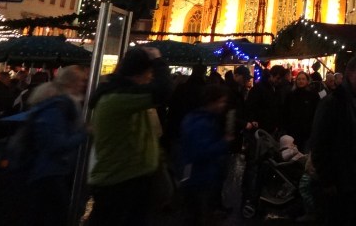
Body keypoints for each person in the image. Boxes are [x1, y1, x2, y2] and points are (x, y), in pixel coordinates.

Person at [88, 45, 172, 225]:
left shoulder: (125, 95)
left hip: (131, 178)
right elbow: (162, 91)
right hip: (121, 181)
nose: (150, 78)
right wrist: (158, 60)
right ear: (139, 73)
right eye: (149, 73)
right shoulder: (119, 98)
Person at [308, 54, 356, 226]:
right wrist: (328, 180)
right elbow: (320, 142)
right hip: (340, 185)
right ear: (351, 75)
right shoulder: (333, 103)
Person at [22, 65, 88, 226]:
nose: (83, 85)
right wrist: (83, 134)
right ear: (71, 83)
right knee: (54, 215)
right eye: (81, 81)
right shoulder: (56, 108)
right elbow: (56, 144)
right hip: (50, 171)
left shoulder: (59, 106)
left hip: (50, 170)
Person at [180, 84, 234, 226]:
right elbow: (201, 151)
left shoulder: (200, 118)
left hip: (199, 177)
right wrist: (224, 142)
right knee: (199, 215)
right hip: (199, 178)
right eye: (221, 101)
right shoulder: (202, 122)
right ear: (212, 101)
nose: (223, 105)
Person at [283, 70, 320, 151]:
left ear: (307, 81)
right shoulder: (291, 95)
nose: (301, 81)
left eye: (303, 79)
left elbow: (316, 111)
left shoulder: (313, 95)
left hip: (307, 130)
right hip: (293, 130)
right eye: (299, 79)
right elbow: (286, 111)